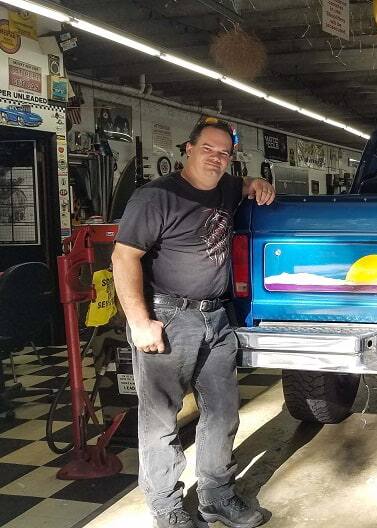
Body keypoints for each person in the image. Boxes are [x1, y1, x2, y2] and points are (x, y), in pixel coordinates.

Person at [112, 120, 274, 528]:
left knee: (222, 412)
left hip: (216, 317)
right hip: (168, 318)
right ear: (188, 148)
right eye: (208, 149)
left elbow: (242, 185)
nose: (216, 157)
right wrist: (140, 322)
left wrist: (254, 182)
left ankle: (216, 496)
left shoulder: (224, 186)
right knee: (161, 419)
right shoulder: (156, 197)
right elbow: (123, 257)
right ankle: (166, 509)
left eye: (224, 152)